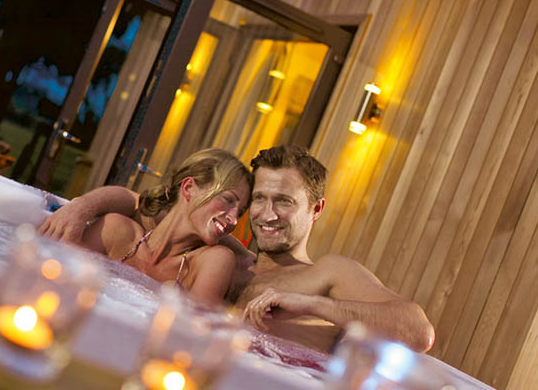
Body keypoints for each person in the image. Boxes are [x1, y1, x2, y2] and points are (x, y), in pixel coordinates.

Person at [39, 145, 435, 353]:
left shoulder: (327, 273)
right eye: (258, 200)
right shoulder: (232, 258)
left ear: (316, 209)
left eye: (284, 201)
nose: (265, 214)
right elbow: (148, 206)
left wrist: (312, 305)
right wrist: (81, 207)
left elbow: (417, 331)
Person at [62, 148, 252, 307]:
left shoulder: (213, 261)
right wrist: (80, 207)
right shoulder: (115, 231)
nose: (234, 220)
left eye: (240, 212)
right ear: (188, 188)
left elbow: (192, 336)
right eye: (227, 200)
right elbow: (58, 280)